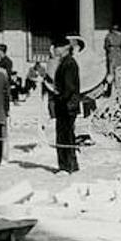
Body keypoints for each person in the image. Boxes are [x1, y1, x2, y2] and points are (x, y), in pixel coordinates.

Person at [43, 37, 80, 173]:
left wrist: (59, 98)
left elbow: (69, 88)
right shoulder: (65, 62)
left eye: (57, 47)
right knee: (66, 136)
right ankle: (69, 166)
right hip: (67, 106)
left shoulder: (69, 63)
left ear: (65, 47)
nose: (55, 49)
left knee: (65, 137)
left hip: (67, 106)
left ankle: (67, 166)